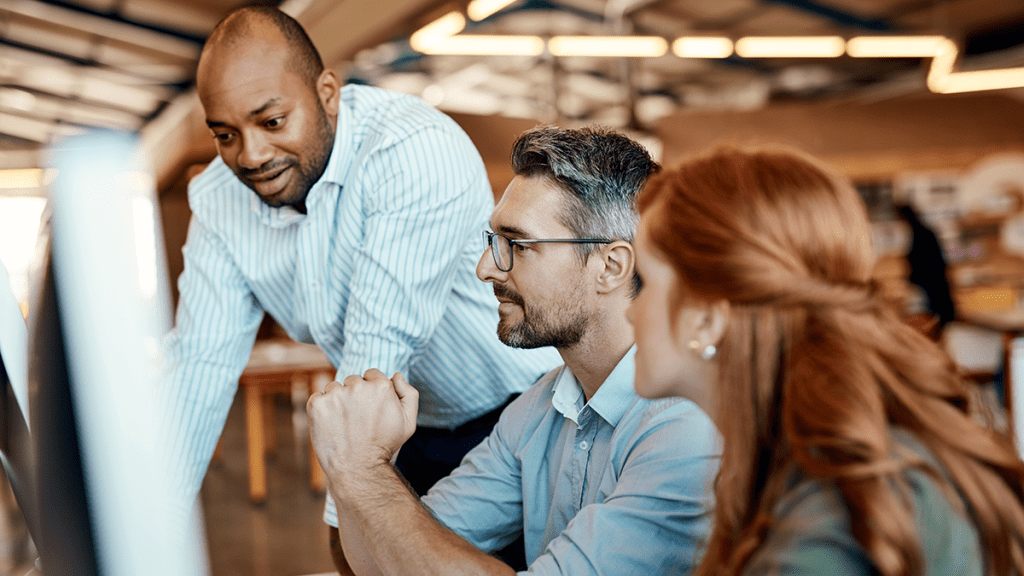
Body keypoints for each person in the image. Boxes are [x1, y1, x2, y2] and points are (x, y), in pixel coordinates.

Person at [161, 3, 560, 549]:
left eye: (272, 121)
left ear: (327, 92)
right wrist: (133, 529)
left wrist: (343, 522)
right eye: (224, 135)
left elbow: (379, 345)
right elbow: (198, 368)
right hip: (409, 425)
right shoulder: (218, 199)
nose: (250, 155)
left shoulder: (411, 149)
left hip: (522, 412)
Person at [307, 126, 720, 575]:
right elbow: (389, 560)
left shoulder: (687, 427)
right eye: (492, 243)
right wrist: (352, 469)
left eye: (517, 245)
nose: (486, 268)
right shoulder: (540, 408)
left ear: (610, 266)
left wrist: (365, 471)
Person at [629, 145, 1024, 576]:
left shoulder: (827, 528)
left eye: (645, 282)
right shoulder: (869, 461)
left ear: (706, 318)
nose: (631, 310)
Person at [896, 203, 956, 340]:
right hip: (933, 279)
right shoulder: (923, 230)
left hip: (930, 279)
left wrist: (911, 274)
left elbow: (921, 259)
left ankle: (939, 337)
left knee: (937, 312)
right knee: (938, 311)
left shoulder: (920, 232)